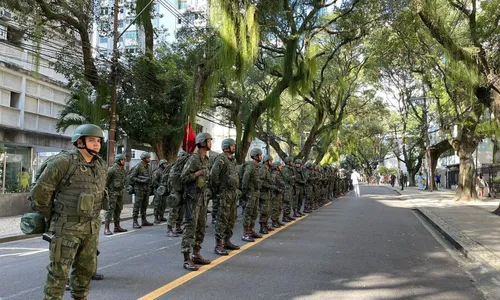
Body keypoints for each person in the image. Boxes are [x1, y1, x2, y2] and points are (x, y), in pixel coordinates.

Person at [31, 124, 107, 300]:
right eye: (92, 140)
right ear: (80, 142)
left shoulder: (100, 165)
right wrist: (54, 217)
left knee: (86, 270)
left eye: (98, 141)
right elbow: (39, 194)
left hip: (90, 227)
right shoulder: (63, 162)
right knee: (59, 273)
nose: (96, 144)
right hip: (66, 227)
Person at [180, 132, 213, 271]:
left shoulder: (206, 159)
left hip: (203, 199)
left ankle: (196, 254)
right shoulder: (194, 159)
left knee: (201, 228)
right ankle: (187, 258)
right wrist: (197, 174)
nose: (211, 143)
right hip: (192, 200)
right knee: (190, 228)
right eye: (209, 140)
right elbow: (183, 177)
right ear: (202, 143)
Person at [211, 138, 240, 256]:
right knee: (222, 219)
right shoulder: (221, 159)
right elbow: (214, 175)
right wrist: (219, 188)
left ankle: (227, 241)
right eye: (232, 146)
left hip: (233, 193)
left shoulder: (232, 160)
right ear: (227, 147)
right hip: (224, 193)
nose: (234, 147)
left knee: (231, 218)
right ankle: (218, 245)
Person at [241, 148, 263, 242]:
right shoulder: (250, 167)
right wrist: (245, 192)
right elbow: (245, 179)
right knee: (248, 214)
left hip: (255, 193)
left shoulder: (257, 167)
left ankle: (251, 231)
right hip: (250, 194)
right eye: (260, 155)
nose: (261, 156)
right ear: (255, 156)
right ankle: (245, 233)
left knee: (254, 213)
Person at [104, 154, 128, 235]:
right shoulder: (111, 170)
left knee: (118, 209)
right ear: (118, 160)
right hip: (112, 193)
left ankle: (117, 227)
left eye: (124, 160)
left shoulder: (123, 170)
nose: (124, 161)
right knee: (110, 210)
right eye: (122, 160)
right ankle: (106, 228)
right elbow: (105, 182)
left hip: (120, 193)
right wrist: (106, 192)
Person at [130, 152, 154, 228]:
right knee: (137, 205)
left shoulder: (148, 166)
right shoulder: (138, 167)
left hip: (146, 188)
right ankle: (135, 221)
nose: (149, 159)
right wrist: (141, 181)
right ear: (144, 158)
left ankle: (144, 220)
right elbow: (132, 177)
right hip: (139, 189)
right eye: (148, 158)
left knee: (145, 205)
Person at [152, 159, 169, 224]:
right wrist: (159, 186)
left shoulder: (165, 171)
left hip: (164, 190)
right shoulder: (157, 171)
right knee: (157, 203)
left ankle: (161, 216)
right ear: (161, 164)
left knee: (164, 203)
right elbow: (154, 181)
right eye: (164, 163)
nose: (165, 165)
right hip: (158, 190)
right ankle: (156, 217)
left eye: (166, 163)